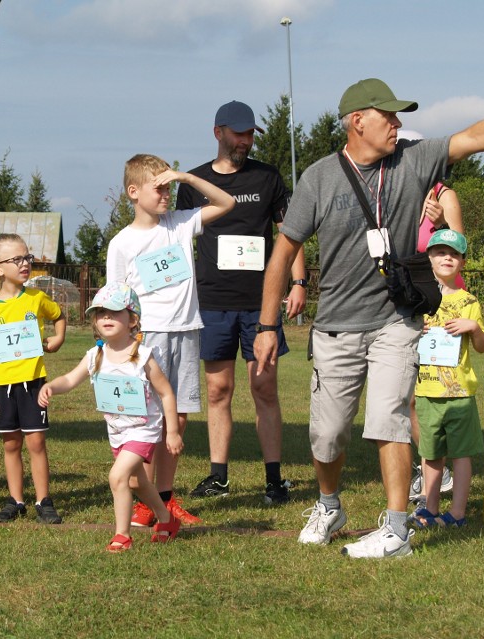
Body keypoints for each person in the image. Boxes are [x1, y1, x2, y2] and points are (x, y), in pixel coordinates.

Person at [254, 78, 484, 558]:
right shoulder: (319, 178)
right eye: (390, 116)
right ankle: (329, 505)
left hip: (396, 322)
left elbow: (478, 135)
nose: (398, 124)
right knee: (328, 435)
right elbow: (283, 253)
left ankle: (398, 530)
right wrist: (265, 326)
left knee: (390, 421)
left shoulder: (413, 160)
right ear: (358, 120)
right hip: (337, 327)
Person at [175, 100, 307, 504]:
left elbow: (291, 233)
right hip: (212, 301)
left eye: (250, 134)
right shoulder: (194, 183)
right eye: (239, 134)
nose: (246, 141)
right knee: (218, 390)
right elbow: (176, 241)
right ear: (219, 133)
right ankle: (218, 476)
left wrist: (299, 281)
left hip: (260, 305)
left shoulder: (268, 177)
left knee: (264, 388)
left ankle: (273, 479)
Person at [107, 153, 235, 527]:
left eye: (169, 187)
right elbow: (116, 297)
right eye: (158, 187)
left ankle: (164, 496)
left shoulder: (179, 224)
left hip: (186, 330)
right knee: (148, 417)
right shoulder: (122, 243)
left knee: (176, 416)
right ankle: (142, 500)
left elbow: (225, 203)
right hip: (148, 335)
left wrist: (187, 178)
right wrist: (124, 342)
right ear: (133, 191)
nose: (166, 194)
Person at [38, 282, 183, 551]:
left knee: (117, 476)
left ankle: (122, 535)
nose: (106, 318)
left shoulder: (143, 357)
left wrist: (172, 432)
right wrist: (51, 387)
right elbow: (70, 379)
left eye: (115, 312)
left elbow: (166, 394)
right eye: (101, 313)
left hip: (143, 430)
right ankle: (166, 519)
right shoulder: (95, 355)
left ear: (133, 320)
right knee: (136, 481)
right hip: (117, 431)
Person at [0, 234, 67, 524]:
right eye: (17, 259)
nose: (25, 264)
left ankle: (43, 500)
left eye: (27, 257)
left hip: (34, 383)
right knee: (11, 444)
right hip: (2, 386)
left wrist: (59, 338)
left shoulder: (37, 298)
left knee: (36, 442)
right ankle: (16, 500)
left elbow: (58, 316)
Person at [409, 229, 484, 528]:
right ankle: (428, 509)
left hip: (460, 393)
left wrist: (474, 328)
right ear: (428, 258)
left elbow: (481, 347)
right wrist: (417, 331)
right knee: (430, 454)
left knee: (461, 455)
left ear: (463, 262)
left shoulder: (470, 301)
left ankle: (456, 513)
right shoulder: (417, 299)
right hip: (426, 389)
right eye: (440, 252)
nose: (447, 258)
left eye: (454, 254)